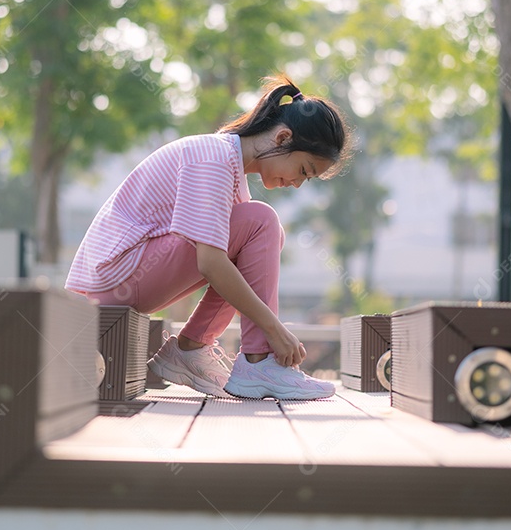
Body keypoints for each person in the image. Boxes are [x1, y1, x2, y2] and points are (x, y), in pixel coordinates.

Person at [65, 74, 351, 400]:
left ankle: (195, 348)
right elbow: (210, 263)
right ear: (283, 138)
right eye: (303, 170)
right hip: (108, 283)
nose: (298, 183)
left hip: (121, 282)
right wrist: (274, 330)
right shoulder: (211, 158)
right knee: (261, 222)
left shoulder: (229, 171)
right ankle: (258, 361)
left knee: (261, 229)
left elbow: (218, 264)